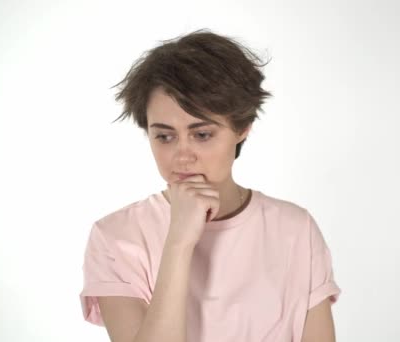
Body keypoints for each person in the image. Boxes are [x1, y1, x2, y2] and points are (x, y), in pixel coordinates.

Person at [79, 29, 341, 342]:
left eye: (202, 134)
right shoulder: (116, 237)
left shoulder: (296, 230)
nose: (182, 155)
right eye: (164, 136)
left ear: (242, 127)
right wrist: (178, 241)